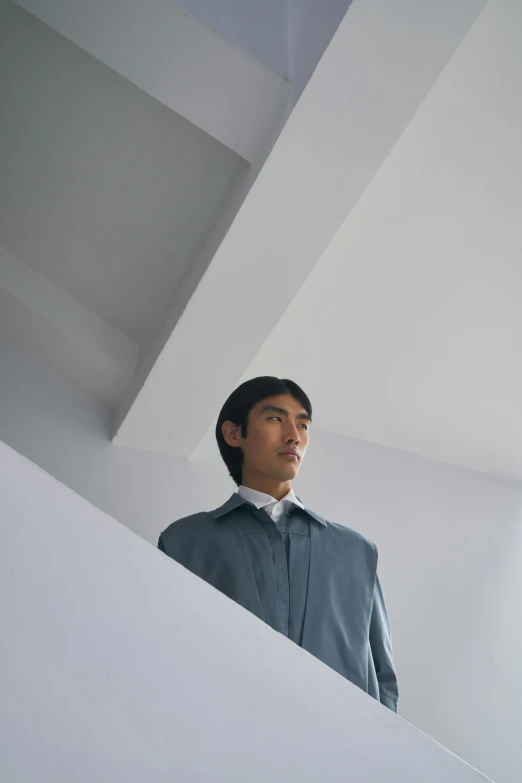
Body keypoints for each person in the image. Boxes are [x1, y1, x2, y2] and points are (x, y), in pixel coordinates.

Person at [158, 376, 398, 712]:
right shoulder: (186, 543)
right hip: (221, 742)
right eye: (275, 418)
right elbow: (165, 656)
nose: (294, 435)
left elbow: (384, 681)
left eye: (303, 424)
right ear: (233, 434)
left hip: (340, 752)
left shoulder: (357, 553)